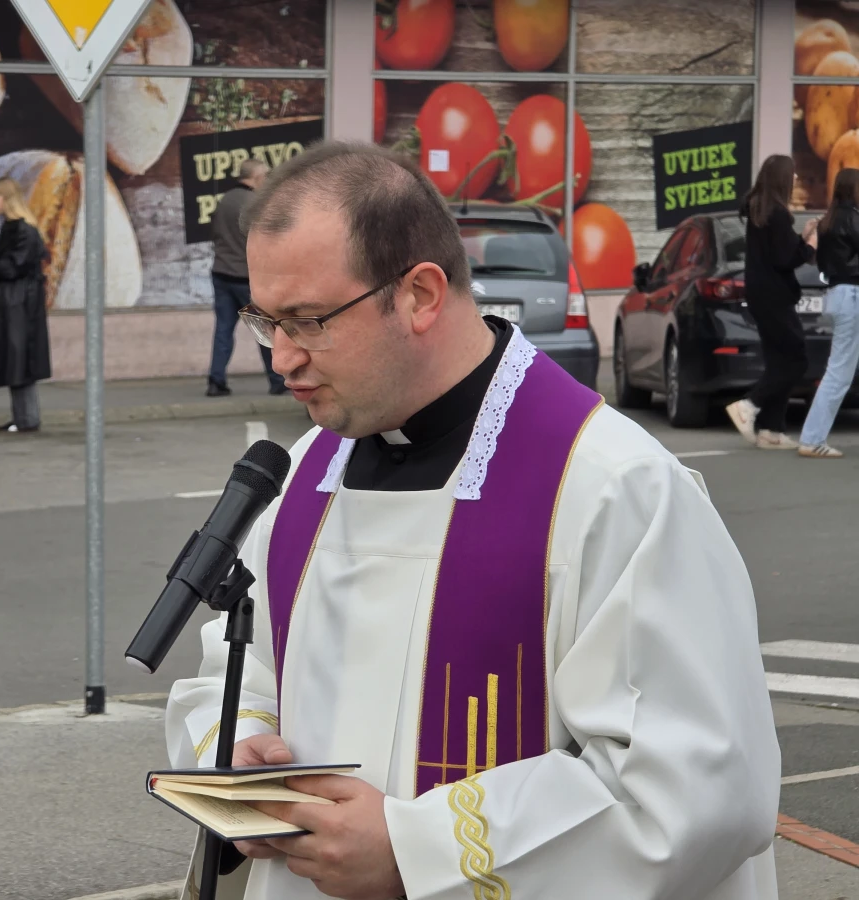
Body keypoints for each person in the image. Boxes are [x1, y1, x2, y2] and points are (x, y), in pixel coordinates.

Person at [166, 143, 780, 900]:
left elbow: (694, 792)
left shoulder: (615, 489)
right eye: (267, 321)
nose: (282, 358)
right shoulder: (301, 480)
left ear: (421, 295)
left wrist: (418, 851)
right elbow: (237, 674)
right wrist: (238, 753)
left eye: (308, 321)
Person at [725, 154, 818, 450]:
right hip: (775, 295)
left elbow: (777, 249)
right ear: (780, 178)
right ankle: (749, 406)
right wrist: (809, 246)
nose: (794, 179)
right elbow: (785, 259)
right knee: (796, 357)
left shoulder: (761, 210)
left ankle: (771, 431)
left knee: (779, 359)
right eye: (791, 174)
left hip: (761, 294)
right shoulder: (776, 213)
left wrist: (800, 237)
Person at [0, 177, 51, 433]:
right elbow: (12, 262)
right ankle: (22, 417)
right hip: (14, 302)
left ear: (7, 198)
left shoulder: (23, 229)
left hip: (21, 304)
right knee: (17, 362)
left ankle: (27, 419)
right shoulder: (13, 227)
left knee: (20, 361)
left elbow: (15, 266)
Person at [206, 159, 286, 398]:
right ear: (255, 177)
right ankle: (277, 380)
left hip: (221, 273)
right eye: (265, 175)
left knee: (223, 330)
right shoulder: (255, 204)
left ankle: (215, 381)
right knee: (263, 330)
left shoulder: (225, 199)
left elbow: (214, 232)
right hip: (245, 278)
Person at [799, 167, 859, 458]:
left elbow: (820, 264)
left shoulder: (826, 223)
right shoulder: (855, 220)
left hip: (837, 295)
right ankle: (812, 439)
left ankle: (812, 438)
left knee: (839, 370)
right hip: (854, 296)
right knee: (839, 373)